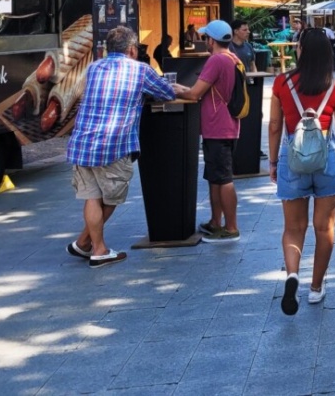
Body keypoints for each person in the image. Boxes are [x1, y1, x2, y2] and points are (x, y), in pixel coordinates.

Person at [65, 26, 182, 267]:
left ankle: (86, 244)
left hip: (82, 143)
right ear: (131, 49)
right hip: (113, 145)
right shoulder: (140, 70)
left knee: (92, 197)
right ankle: (96, 248)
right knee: (111, 197)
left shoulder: (94, 67)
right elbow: (167, 93)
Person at [268, 28, 335, 314]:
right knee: (324, 227)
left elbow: (274, 126)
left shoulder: (282, 83)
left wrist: (273, 162)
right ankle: (316, 287)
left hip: (293, 158)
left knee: (293, 228)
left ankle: (293, 274)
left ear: (301, 51)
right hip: (326, 158)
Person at [175, 20, 243, 243]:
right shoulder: (232, 58)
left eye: (206, 38)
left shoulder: (216, 59)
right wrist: (186, 90)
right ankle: (215, 222)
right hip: (226, 125)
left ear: (212, 40)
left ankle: (231, 228)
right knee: (215, 177)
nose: (205, 41)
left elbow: (195, 94)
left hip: (218, 126)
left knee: (223, 178)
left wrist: (175, 90)